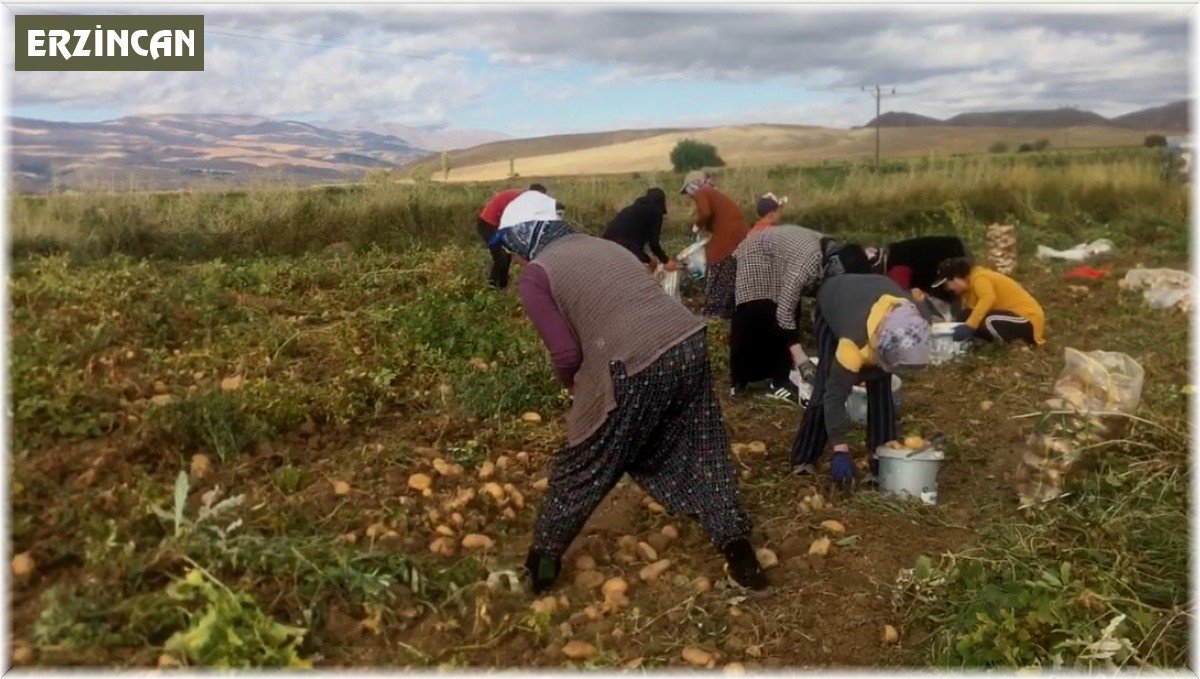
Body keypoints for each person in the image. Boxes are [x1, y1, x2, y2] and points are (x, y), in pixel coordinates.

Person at [488, 191, 769, 594]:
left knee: (583, 466)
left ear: (523, 236)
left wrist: (578, 388)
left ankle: (540, 570)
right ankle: (741, 555)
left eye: (511, 246)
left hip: (635, 362)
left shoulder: (537, 274)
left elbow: (566, 354)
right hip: (687, 341)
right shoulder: (603, 245)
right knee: (702, 447)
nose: (513, 257)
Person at [789, 274, 932, 485]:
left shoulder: (919, 323)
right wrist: (840, 449)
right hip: (836, 298)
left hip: (876, 295)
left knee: (881, 388)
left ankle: (880, 463)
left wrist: (869, 373)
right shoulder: (853, 344)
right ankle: (804, 457)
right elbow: (835, 395)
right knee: (826, 384)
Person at [728, 225, 825, 403]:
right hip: (754, 253)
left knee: (787, 311)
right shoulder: (808, 262)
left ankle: (779, 379)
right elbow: (784, 313)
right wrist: (800, 357)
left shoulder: (833, 258)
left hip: (781, 256)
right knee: (753, 313)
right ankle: (740, 382)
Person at [679, 171, 749, 319]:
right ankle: (729, 311)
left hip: (729, 236)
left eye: (688, 190)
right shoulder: (713, 193)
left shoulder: (702, 192)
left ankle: (715, 313)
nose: (690, 195)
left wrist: (697, 226)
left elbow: (705, 213)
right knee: (730, 271)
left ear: (694, 185)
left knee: (717, 264)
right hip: (739, 235)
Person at [932, 256, 1046, 346]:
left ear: (956, 277)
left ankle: (1013, 348)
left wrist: (970, 326)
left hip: (1026, 319)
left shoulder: (980, 278)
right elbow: (972, 312)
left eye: (947, 285)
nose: (948, 289)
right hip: (1009, 318)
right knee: (967, 315)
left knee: (989, 320)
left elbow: (988, 299)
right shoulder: (968, 290)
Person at [476, 183, 548, 289]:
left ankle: (502, 287)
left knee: (506, 255)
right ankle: (492, 286)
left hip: (498, 226)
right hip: (487, 225)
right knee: (501, 257)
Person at [865, 236, 969, 301]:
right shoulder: (896, 251)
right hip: (953, 249)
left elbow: (901, 298)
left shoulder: (897, 268)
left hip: (953, 260)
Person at [602, 188, 675, 272]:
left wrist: (648, 259)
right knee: (638, 270)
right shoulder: (656, 211)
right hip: (625, 246)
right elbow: (654, 244)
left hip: (604, 245)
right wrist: (666, 261)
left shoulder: (629, 209)